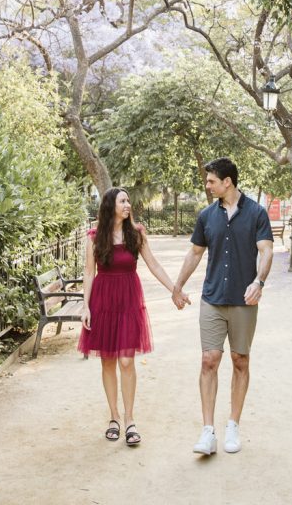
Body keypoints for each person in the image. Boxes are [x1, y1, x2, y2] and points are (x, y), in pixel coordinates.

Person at [171, 158, 274, 455]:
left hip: (244, 300)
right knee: (208, 360)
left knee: (240, 360)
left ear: (227, 181)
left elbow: (266, 251)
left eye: (211, 181)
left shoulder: (256, 213)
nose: (207, 185)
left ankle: (233, 425)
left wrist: (259, 281)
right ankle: (207, 431)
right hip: (212, 299)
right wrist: (177, 286)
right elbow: (194, 254)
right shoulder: (206, 216)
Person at [78, 186, 190, 446]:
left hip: (129, 301)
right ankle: (114, 417)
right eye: (122, 201)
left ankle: (130, 420)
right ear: (110, 207)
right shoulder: (94, 238)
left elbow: (154, 264)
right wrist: (86, 306)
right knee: (107, 361)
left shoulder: (136, 234)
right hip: (103, 302)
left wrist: (175, 289)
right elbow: (88, 272)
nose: (128, 205)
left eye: (128, 201)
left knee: (126, 361)